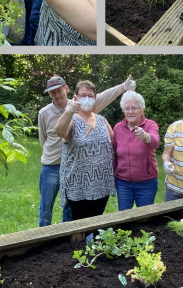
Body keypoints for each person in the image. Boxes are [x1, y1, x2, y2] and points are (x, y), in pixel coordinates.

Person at [37, 74, 137, 226]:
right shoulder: (47, 113)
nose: (57, 94)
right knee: (46, 208)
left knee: (70, 214)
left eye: (59, 90)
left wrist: (123, 87)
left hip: (85, 174)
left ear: (67, 89)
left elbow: (103, 96)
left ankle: (67, 239)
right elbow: (46, 138)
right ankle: (42, 240)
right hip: (53, 165)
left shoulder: (86, 108)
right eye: (53, 92)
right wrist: (69, 112)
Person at [55, 80, 115, 221]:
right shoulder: (71, 119)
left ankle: (93, 242)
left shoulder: (101, 120)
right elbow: (60, 131)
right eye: (83, 95)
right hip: (79, 185)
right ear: (76, 97)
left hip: (101, 183)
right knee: (80, 223)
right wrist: (69, 111)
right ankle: (81, 243)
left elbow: (114, 141)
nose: (87, 99)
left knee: (96, 221)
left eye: (90, 95)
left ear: (95, 98)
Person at [112, 91, 160, 210]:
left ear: (142, 110)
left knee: (144, 219)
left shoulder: (150, 125)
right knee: (124, 218)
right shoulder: (118, 128)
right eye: (127, 108)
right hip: (123, 183)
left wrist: (145, 136)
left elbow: (155, 141)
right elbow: (114, 154)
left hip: (146, 183)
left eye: (134, 108)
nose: (130, 111)